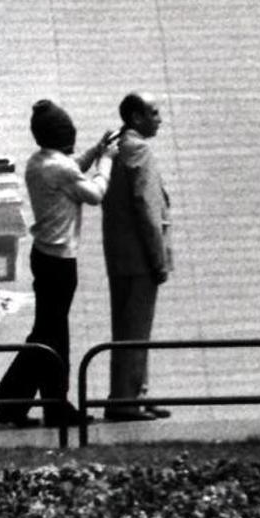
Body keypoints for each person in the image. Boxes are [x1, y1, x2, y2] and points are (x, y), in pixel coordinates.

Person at [0, 99, 115, 428]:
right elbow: (94, 193)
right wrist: (106, 162)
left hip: (43, 255)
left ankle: (34, 403)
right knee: (51, 337)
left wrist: (94, 150)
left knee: (49, 333)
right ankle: (27, 404)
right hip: (60, 262)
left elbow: (72, 165)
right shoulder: (59, 168)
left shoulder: (40, 161)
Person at [101, 92, 172, 421]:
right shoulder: (139, 150)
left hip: (119, 255)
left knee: (127, 328)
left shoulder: (118, 146)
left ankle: (136, 393)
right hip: (139, 258)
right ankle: (126, 400)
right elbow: (147, 208)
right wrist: (158, 259)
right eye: (153, 113)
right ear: (135, 117)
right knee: (135, 331)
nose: (159, 118)